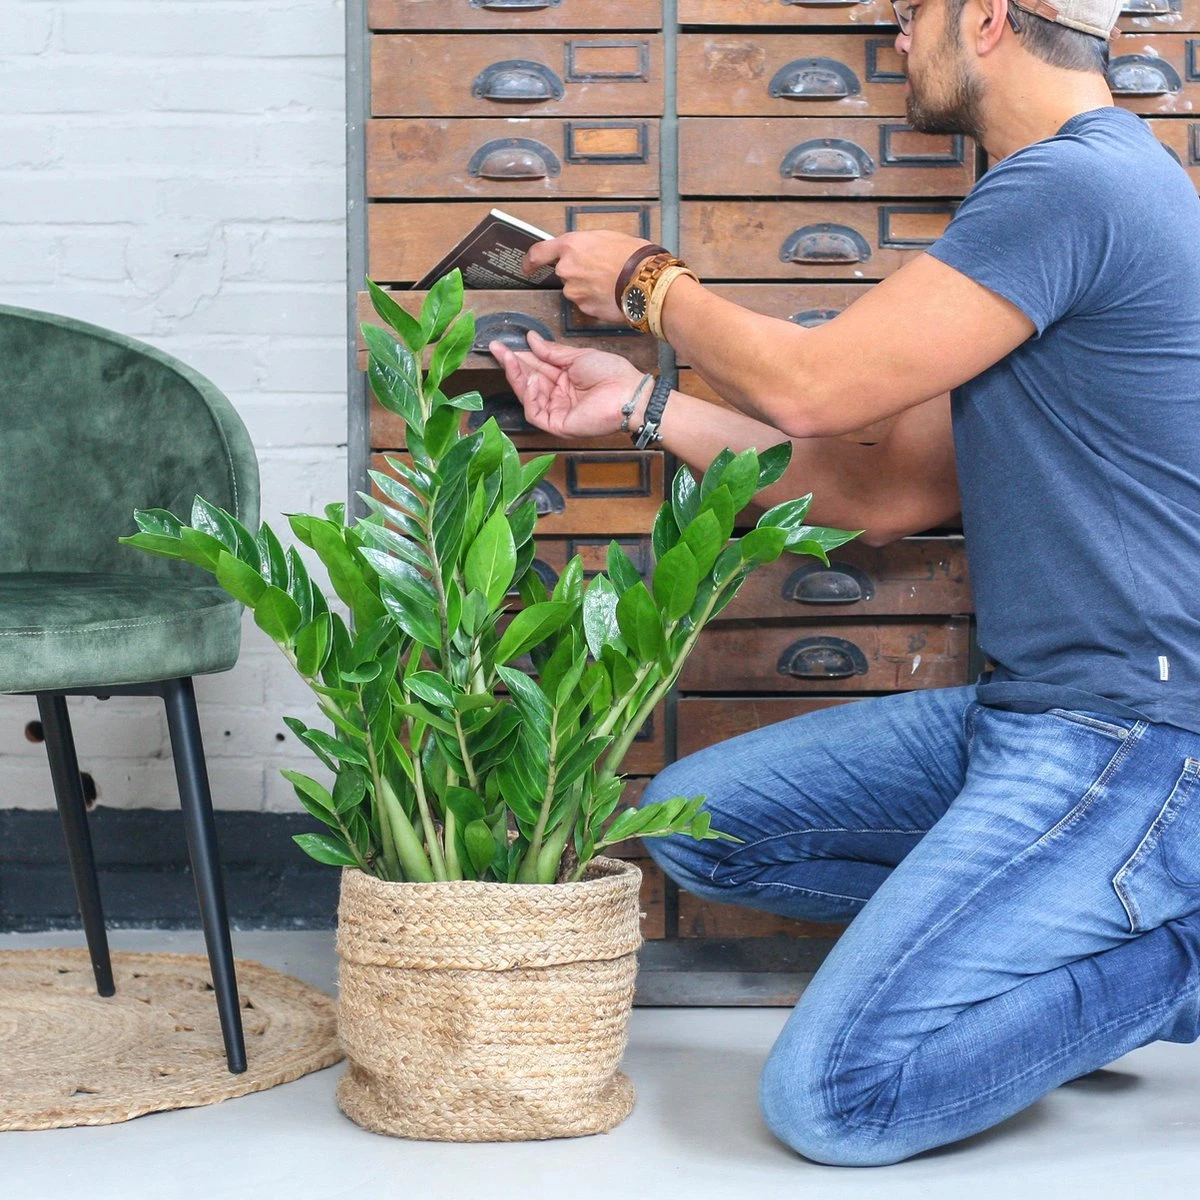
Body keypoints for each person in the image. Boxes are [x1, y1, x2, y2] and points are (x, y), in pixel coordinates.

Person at [488, 0, 1200, 1167]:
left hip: (1130, 734)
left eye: (911, 11)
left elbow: (816, 389)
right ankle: (1064, 925)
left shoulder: (1076, 185)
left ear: (984, 20)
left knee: (841, 1100)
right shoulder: (1072, 195)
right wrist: (643, 405)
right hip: (1028, 714)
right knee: (703, 829)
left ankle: (1179, 953)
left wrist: (648, 283)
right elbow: (880, 496)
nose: (894, 38)